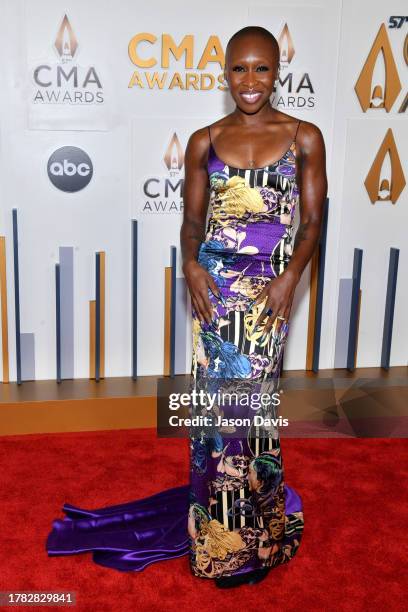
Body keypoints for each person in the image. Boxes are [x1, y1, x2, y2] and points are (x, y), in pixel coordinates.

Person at [45, 25, 327, 589]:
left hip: (268, 293)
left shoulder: (305, 137)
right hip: (215, 293)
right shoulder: (205, 139)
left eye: (262, 69)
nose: (250, 81)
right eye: (239, 69)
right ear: (225, 74)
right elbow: (192, 221)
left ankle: (258, 535)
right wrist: (192, 265)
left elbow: (314, 221)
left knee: (253, 415)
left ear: (278, 72)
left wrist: (291, 277)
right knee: (215, 419)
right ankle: (220, 545)